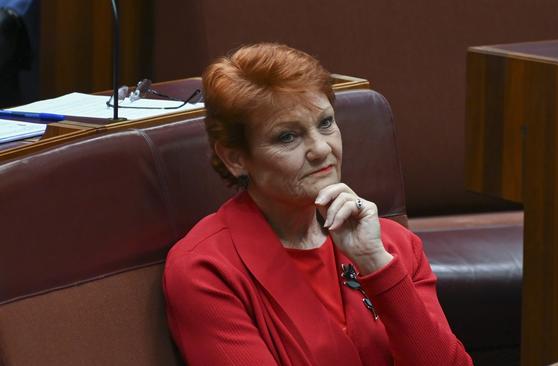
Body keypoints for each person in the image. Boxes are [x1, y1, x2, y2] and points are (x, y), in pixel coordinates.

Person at [163, 43, 472, 366]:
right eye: (287, 137)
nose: (321, 149)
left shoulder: (393, 244)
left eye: (325, 123)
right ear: (236, 158)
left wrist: (375, 264)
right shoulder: (206, 269)